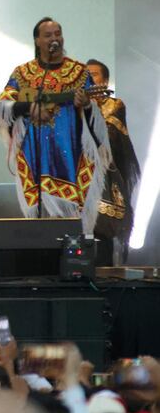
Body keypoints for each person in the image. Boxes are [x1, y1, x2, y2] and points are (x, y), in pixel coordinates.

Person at [0, 17, 111, 235]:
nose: (54, 39)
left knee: (71, 222)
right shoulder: (22, 73)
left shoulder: (79, 72)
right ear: (37, 41)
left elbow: (96, 112)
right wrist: (29, 107)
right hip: (35, 154)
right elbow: (4, 106)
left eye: (58, 33)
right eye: (48, 35)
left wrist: (86, 104)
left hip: (71, 155)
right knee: (40, 223)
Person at [86, 59, 141, 264]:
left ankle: (103, 275)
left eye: (94, 74)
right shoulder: (72, 107)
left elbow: (110, 138)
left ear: (105, 80)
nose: (90, 79)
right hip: (77, 179)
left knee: (102, 229)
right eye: (85, 75)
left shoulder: (114, 105)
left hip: (104, 177)